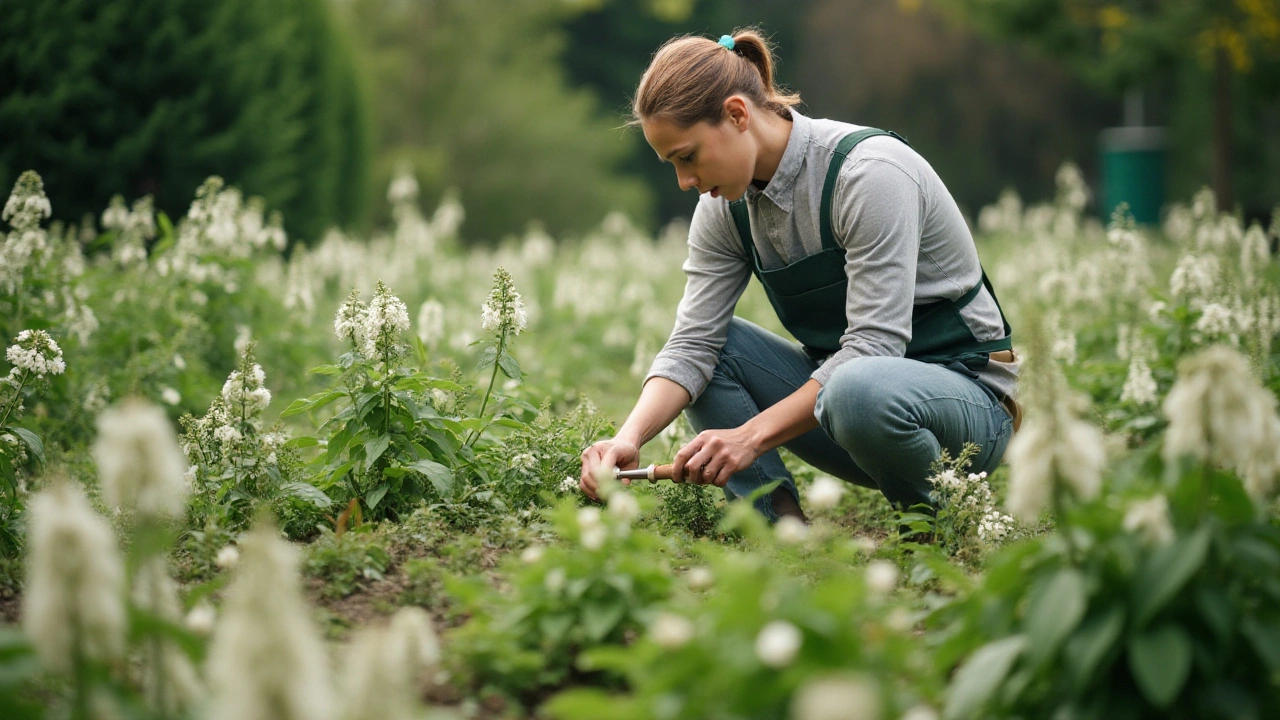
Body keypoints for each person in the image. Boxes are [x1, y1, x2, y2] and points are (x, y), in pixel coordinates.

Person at [578, 28, 1019, 523]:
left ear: (738, 114)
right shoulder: (723, 208)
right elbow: (693, 344)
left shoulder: (868, 174)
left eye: (688, 156)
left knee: (856, 387)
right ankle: (781, 531)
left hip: (967, 408)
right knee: (717, 353)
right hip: (851, 412)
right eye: (672, 165)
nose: (686, 182)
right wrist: (628, 437)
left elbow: (874, 348)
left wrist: (748, 435)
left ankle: (932, 522)